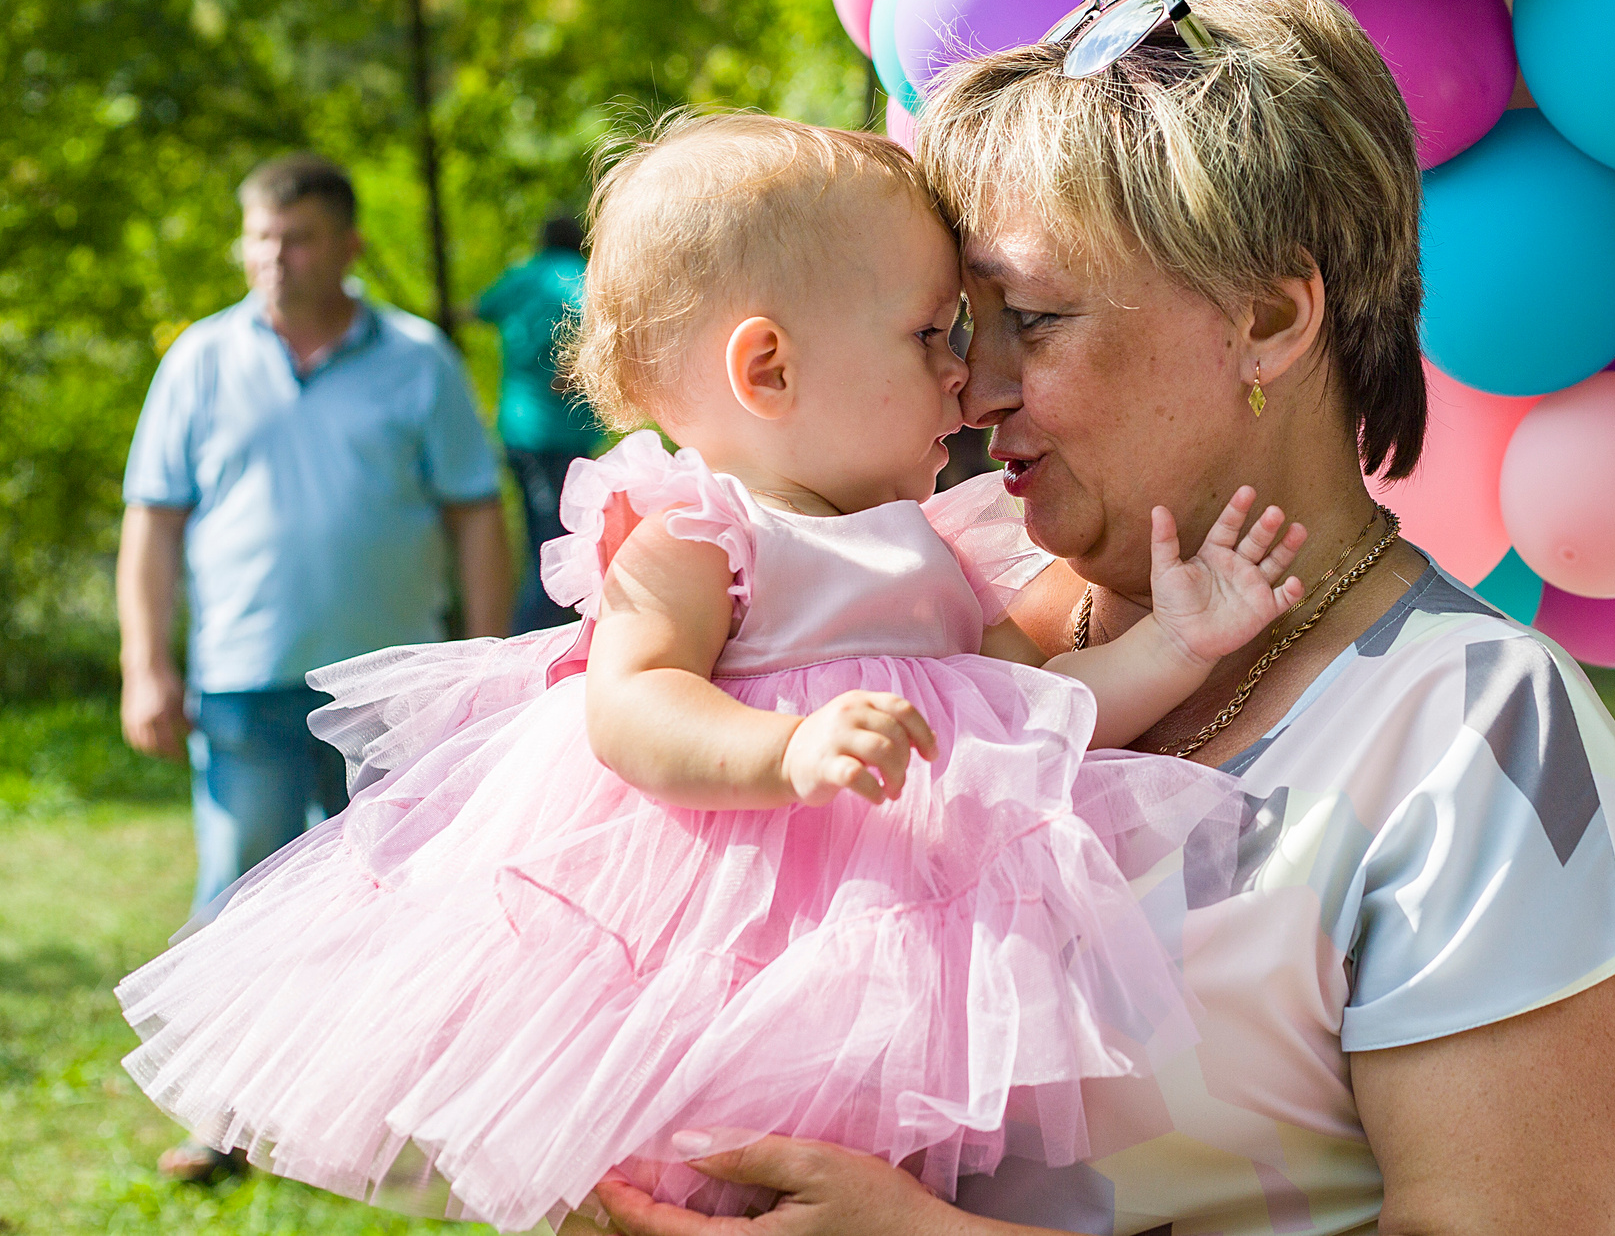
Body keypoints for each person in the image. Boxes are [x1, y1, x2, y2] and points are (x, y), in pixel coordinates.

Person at [593, 0, 1615, 1236]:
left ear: (1267, 317)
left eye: (1030, 318)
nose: (972, 389)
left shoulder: (1477, 733)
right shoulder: (915, 596)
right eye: (956, 329)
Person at [119, 115, 1315, 1231]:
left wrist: (1175, 644)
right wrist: (783, 751)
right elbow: (630, 708)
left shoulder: (927, 549)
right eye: (928, 335)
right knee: (701, 1167)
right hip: (716, 926)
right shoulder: (702, 532)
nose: (964, 372)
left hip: (888, 938)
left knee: (857, 1160)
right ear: (769, 370)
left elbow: (1040, 716)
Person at [114, 152, 510, 1181]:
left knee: (398, 896)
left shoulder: (418, 361)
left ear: (347, 245)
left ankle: (385, 1125)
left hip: (386, 689)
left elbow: (476, 511)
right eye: (256, 237)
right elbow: (153, 524)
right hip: (244, 679)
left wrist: (478, 657)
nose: (270, 258)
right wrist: (144, 666)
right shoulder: (199, 361)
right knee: (234, 897)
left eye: (292, 239)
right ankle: (222, 1123)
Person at [475, 209, 605, 632]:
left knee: (540, 543)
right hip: (563, 431)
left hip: (516, 427)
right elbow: (603, 323)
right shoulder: (576, 274)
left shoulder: (522, 276)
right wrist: (576, 367)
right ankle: (535, 642)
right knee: (562, 543)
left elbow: (481, 309)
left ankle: (544, 635)